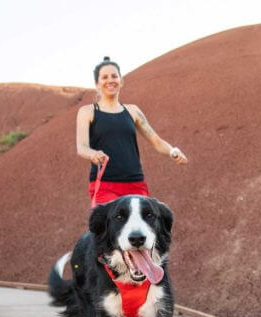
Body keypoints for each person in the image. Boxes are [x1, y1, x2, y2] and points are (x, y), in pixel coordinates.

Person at [76, 56, 188, 205]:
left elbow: (156, 140)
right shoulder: (87, 112)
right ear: (97, 84)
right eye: (104, 77)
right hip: (105, 185)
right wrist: (93, 154)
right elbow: (81, 147)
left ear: (121, 81)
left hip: (135, 183)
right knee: (110, 227)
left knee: (146, 226)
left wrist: (172, 151)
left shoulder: (133, 111)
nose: (110, 80)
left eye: (114, 76)